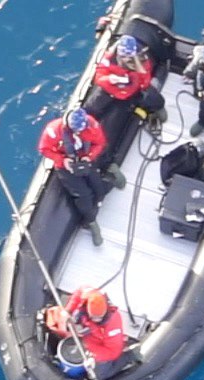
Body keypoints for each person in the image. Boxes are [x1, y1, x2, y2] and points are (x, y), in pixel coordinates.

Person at [38, 108, 126, 246]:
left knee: (99, 190)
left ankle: (111, 178)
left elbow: (100, 143)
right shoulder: (53, 130)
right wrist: (62, 160)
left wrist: (88, 157)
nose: (79, 132)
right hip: (65, 164)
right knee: (84, 195)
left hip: (84, 158)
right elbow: (44, 149)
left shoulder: (91, 124)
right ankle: (91, 222)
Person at [40, 287, 128, 377]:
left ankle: (129, 356)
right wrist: (68, 311)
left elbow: (113, 352)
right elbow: (78, 293)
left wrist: (93, 355)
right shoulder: (88, 294)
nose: (96, 319)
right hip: (83, 330)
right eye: (94, 316)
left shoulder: (113, 323)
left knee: (100, 375)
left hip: (98, 345)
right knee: (54, 323)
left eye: (99, 317)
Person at [88, 35, 165, 127]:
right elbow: (99, 77)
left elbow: (145, 81)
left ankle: (155, 111)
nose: (127, 59)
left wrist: (138, 75)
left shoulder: (142, 61)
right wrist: (109, 79)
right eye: (124, 56)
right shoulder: (107, 59)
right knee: (92, 107)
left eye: (130, 56)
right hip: (111, 90)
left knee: (155, 98)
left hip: (133, 90)